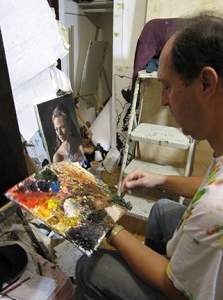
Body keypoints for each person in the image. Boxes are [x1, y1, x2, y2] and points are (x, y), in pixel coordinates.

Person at [75, 12, 223, 300]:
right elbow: (209, 184)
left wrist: (108, 228)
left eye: (168, 86)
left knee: (90, 267)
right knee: (162, 210)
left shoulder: (215, 207)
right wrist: (159, 180)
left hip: (186, 292)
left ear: (206, 83)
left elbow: (177, 290)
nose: (164, 100)